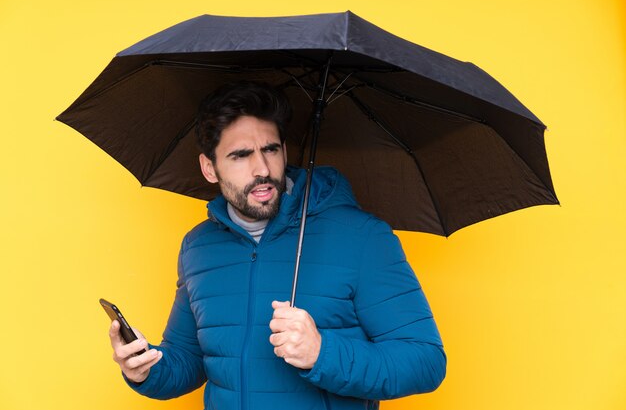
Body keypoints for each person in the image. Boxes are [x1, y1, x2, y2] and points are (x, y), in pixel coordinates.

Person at [108, 81, 446, 410]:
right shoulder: (199, 246)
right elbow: (190, 360)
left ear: (284, 150)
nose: (262, 169)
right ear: (209, 168)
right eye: (240, 156)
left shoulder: (362, 237)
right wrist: (145, 369)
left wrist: (322, 353)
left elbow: (426, 362)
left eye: (270, 149)